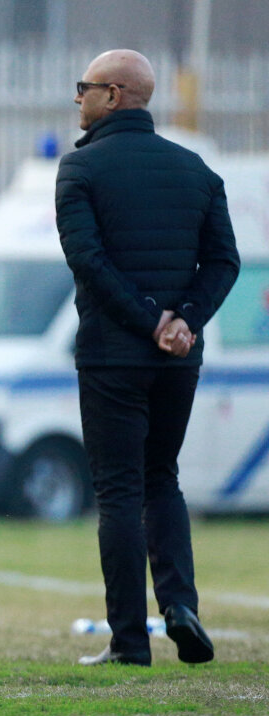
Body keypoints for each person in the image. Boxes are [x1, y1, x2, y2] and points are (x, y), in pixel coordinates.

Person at [56, 50, 240, 666]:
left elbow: (88, 261)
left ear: (112, 95)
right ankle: (181, 606)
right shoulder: (195, 170)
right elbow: (224, 262)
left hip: (113, 357)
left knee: (118, 491)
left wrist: (149, 320)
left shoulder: (80, 169)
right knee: (162, 477)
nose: (76, 97)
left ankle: (130, 642)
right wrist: (184, 321)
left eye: (83, 87)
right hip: (177, 361)